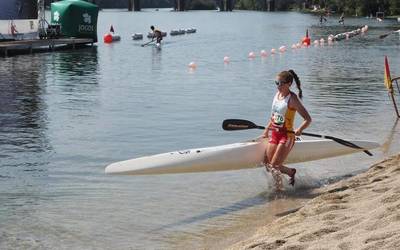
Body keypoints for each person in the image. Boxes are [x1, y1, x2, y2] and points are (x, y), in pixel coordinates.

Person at [261, 70, 312, 190]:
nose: (278, 86)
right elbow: (274, 116)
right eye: (276, 83)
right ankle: (290, 172)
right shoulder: (277, 95)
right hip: (274, 134)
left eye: (281, 83)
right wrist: (266, 131)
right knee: (268, 165)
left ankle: (279, 190)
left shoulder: (292, 99)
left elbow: (308, 119)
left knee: (274, 166)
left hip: (287, 136)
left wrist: (300, 129)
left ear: (289, 84)